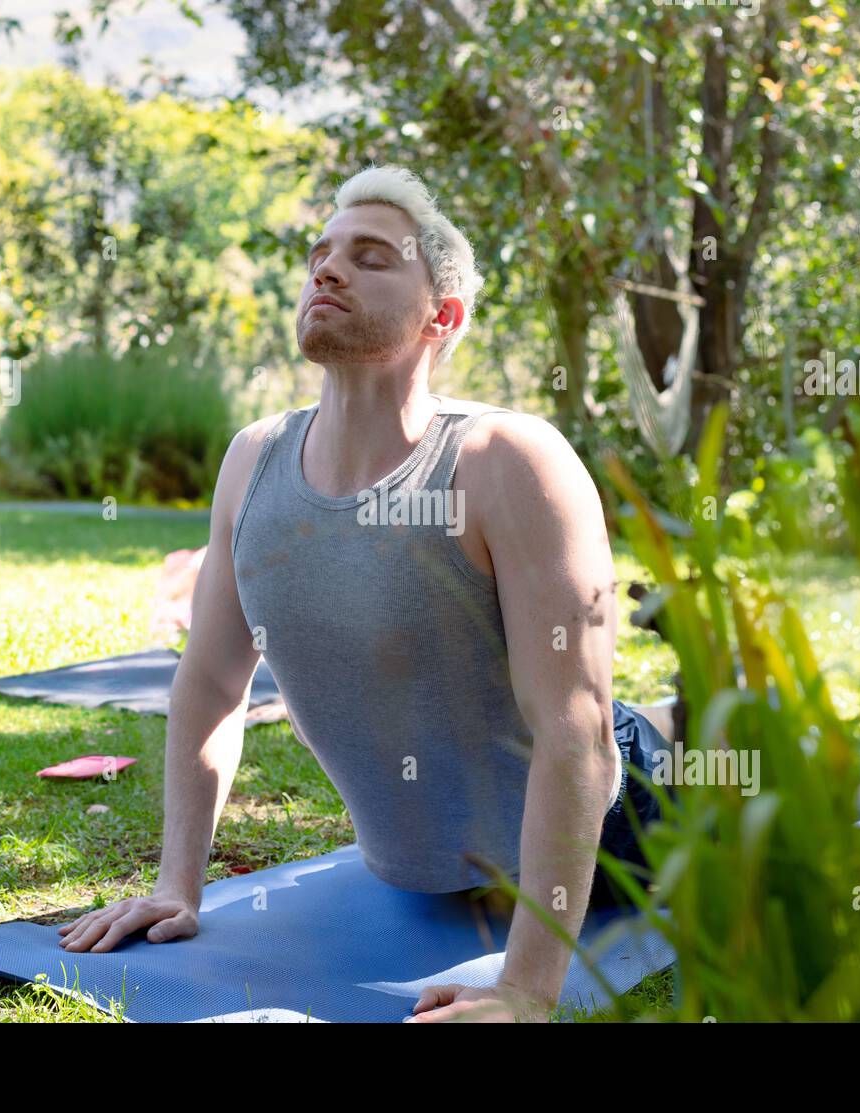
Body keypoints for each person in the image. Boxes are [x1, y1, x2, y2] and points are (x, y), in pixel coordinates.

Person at [57, 164, 673, 1023]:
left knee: (703, 745)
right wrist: (176, 884)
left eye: (372, 256)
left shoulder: (506, 460)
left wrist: (530, 988)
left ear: (441, 316)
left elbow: (579, 733)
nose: (328, 269)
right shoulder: (254, 459)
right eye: (322, 252)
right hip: (418, 878)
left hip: (626, 836)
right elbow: (209, 680)